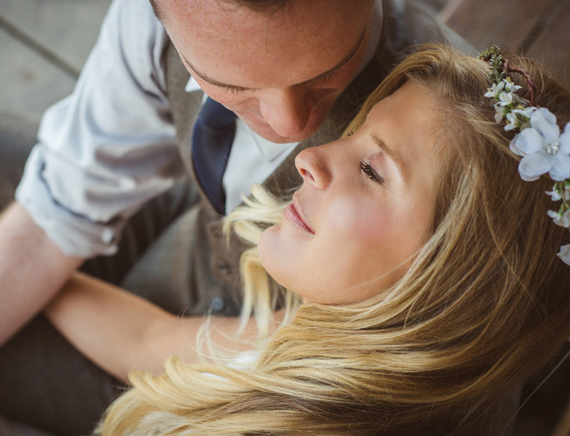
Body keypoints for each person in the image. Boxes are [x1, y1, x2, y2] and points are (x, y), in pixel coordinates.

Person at [0, 0, 468, 434]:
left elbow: (148, 347)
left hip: (200, 359)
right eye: (231, 84)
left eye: (329, 70)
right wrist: (8, 257)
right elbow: (64, 206)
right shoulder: (161, 2)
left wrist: (8, 270)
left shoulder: (443, 136)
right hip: (186, 226)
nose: (290, 131)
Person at [46, 44, 570, 434]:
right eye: (359, 134)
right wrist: (17, 264)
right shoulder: (343, 345)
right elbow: (149, 341)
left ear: (458, 277)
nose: (309, 157)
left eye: (371, 170)